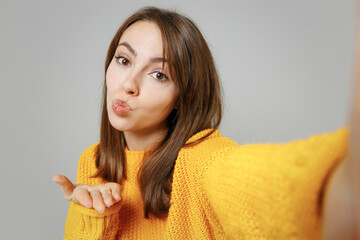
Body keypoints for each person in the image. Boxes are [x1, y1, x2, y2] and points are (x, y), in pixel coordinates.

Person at [52, 6, 352, 239]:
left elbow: (281, 183)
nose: (128, 84)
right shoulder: (93, 160)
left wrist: (341, 161)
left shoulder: (202, 162)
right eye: (124, 60)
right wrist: (93, 214)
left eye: (159, 74)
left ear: (183, 96)